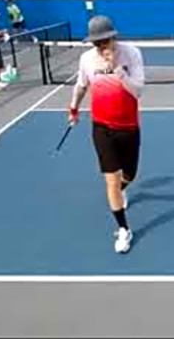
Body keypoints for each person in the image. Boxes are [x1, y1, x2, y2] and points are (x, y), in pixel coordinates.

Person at [68, 15, 145, 254]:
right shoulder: (86, 59)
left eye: (104, 41)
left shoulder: (131, 54)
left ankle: (123, 188)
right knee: (111, 179)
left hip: (129, 127)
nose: (100, 47)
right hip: (101, 127)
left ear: (114, 37)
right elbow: (81, 85)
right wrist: (73, 107)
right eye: (95, 43)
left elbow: (138, 91)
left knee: (129, 175)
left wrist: (117, 71)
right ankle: (123, 229)